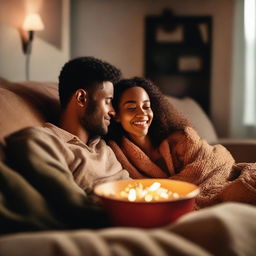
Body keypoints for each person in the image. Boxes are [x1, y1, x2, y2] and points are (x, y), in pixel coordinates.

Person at [2, 56, 130, 231]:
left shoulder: (102, 145)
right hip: (116, 224)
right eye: (107, 101)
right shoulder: (42, 140)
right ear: (82, 98)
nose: (113, 112)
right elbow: (77, 208)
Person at [105, 77, 256, 209]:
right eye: (131, 108)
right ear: (116, 115)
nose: (142, 113)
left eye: (146, 106)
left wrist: (168, 192)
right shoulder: (116, 152)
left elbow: (214, 161)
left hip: (227, 179)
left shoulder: (181, 137)